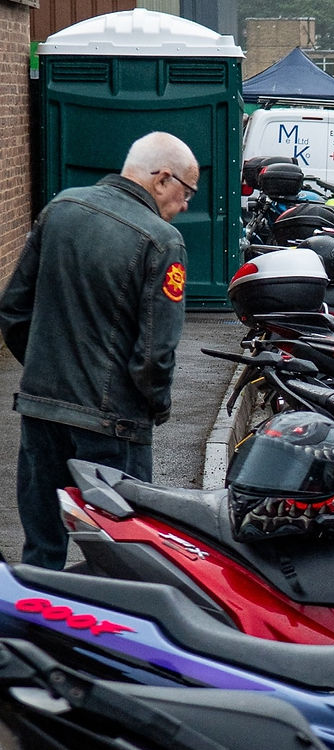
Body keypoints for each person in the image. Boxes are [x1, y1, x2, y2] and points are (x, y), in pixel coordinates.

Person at [0, 132, 196, 569]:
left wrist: (44, 371)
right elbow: (154, 354)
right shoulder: (163, 242)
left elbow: (13, 309)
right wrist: (155, 408)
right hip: (115, 425)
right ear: (163, 179)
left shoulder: (61, 209)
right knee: (123, 556)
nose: (185, 206)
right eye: (186, 193)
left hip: (41, 411)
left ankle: (32, 634)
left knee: (41, 551)